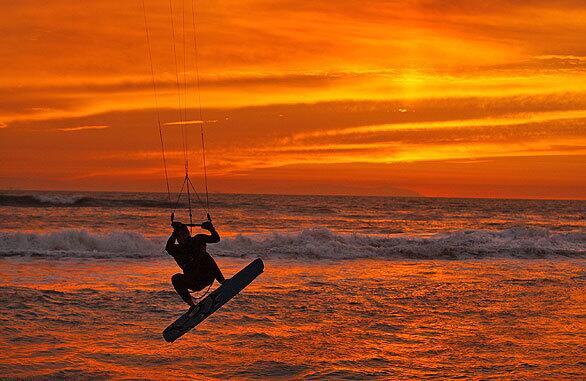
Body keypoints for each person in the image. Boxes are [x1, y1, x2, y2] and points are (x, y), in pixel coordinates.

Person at [166, 220, 225, 308]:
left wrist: (211, 228)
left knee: (204, 256)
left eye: (183, 234)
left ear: (188, 233)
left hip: (206, 276)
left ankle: (222, 281)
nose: (181, 238)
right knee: (176, 278)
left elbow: (216, 239)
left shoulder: (198, 239)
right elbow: (168, 247)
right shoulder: (177, 249)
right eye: (178, 236)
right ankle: (192, 305)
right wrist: (175, 232)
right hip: (194, 281)